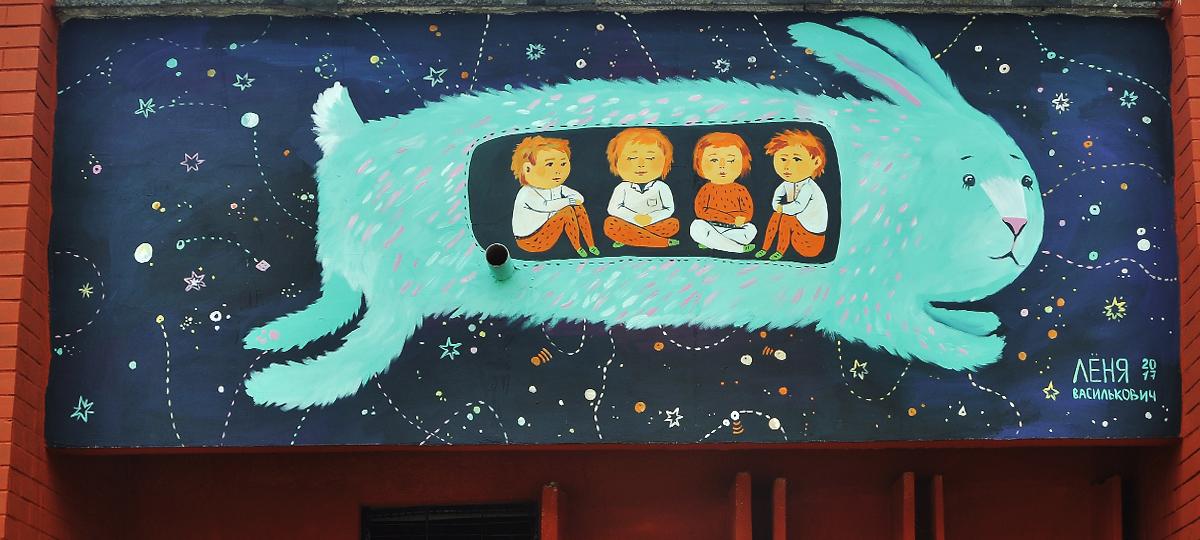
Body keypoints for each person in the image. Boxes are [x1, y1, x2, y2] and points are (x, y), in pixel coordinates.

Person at [509, 135, 599, 257]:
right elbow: (546, 206)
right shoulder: (526, 193)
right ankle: (578, 247)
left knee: (578, 207)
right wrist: (569, 201)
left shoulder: (556, 187)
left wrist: (571, 200)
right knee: (567, 211)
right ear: (527, 169)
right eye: (550, 164)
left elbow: (579, 198)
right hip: (529, 240)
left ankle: (590, 244)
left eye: (563, 164)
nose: (558, 171)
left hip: (547, 230)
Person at [755, 130, 829, 260]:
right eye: (783, 159)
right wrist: (776, 206)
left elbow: (798, 206)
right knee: (778, 215)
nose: (787, 166)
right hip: (798, 230)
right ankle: (765, 248)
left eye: (797, 159)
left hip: (812, 241)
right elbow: (778, 195)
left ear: (816, 162)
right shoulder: (787, 183)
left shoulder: (808, 187)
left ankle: (779, 251)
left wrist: (781, 208)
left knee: (786, 218)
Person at [602, 128, 680, 249]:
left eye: (650, 158)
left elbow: (669, 209)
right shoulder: (622, 188)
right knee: (610, 224)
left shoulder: (662, 187)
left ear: (665, 162)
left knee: (673, 224)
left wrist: (650, 218)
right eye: (632, 158)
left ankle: (627, 237)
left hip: (652, 223)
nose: (641, 164)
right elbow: (613, 209)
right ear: (616, 162)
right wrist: (634, 218)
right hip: (627, 222)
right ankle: (662, 242)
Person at [689, 132, 757, 253]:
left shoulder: (741, 190)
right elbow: (701, 212)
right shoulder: (706, 189)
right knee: (696, 226)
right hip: (712, 226)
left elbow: (747, 212)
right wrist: (728, 217)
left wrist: (742, 219)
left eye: (730, 160)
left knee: (751, 229)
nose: (722, 166)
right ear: (699, 164)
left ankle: (712, 241)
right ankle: (738, 248)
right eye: (714, 160)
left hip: (733, 230)